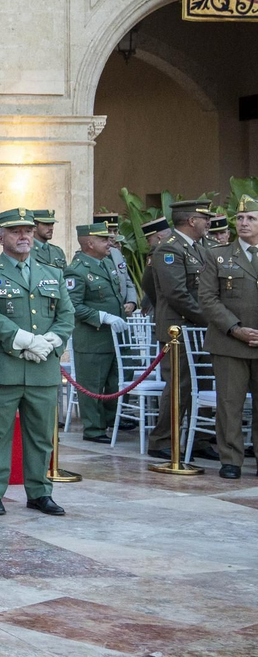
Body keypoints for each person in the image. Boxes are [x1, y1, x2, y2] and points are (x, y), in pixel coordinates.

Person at [0, 208, 74, 517]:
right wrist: (26, 342)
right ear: (1, 237)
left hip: (43, 367)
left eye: (28, 230)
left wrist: (50, 342)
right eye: (16, 231)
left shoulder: (52, 273)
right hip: (3, 367)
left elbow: (66, 315)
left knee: (42, 435)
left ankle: (40, 492)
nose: (24, 235)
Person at [148, 199, 213, 461]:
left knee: (204, 382)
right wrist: (211, 318)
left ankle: (200, 439)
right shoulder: (169, 250)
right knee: (180, 385)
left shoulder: (199, 248)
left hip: (199, 328)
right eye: (205, 218)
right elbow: (177, 294)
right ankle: (163, 439)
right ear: (191, 221)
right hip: (179, 329)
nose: (209, 223)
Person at [198, 195, 258, 479]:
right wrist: (235, 329)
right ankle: (231, 460)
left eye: (251, 218)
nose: (244, 223)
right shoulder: (218, 254)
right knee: (229, 404)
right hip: (230, 342)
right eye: (241, 218)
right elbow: (207, 299)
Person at [65, 222, 132, 445]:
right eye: (104, 239)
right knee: (92, 384)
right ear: (90, 243)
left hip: (114, 337)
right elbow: (73, 305)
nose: (109, 243)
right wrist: (103, 317)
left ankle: (111, 419)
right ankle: (93, 428)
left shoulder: (106, 264)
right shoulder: (77, 269)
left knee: (116, 381)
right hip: (92, 338)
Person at [93, 211, 139, 314]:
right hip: (99, 314)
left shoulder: (116, 253)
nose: (113, 235)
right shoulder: (88, 254)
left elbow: (127, 281)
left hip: (121, 312)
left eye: (115, 231)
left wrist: (131, 302)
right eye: (109, 230)